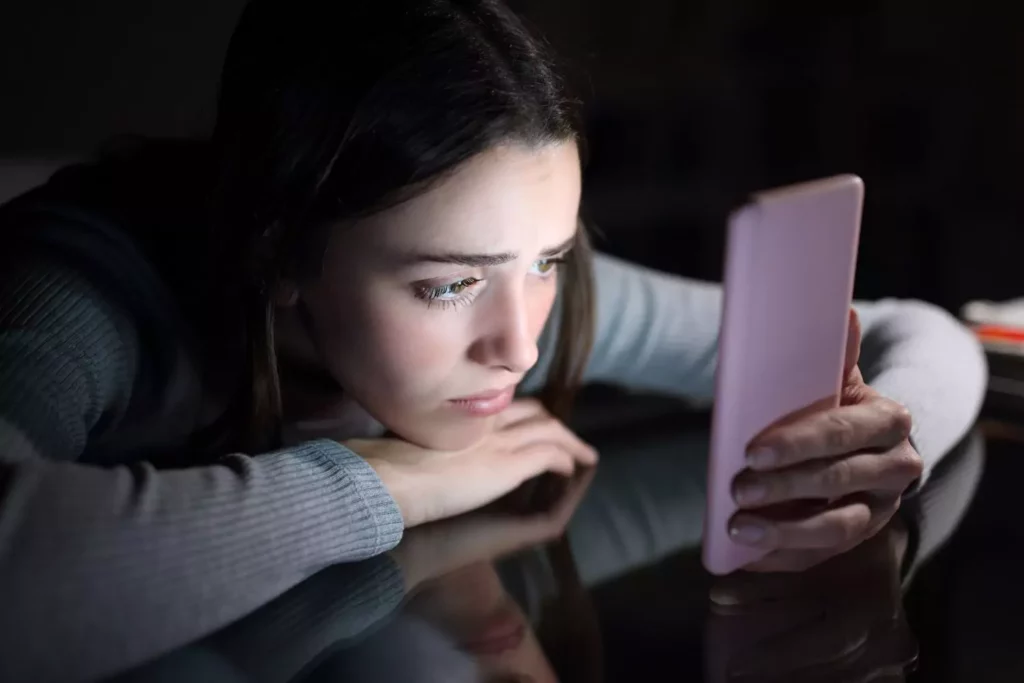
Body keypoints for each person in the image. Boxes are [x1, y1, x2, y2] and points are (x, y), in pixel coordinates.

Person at [0, 0, 986, 681]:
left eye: (550, 258)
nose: (518, 342)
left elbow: (917, 329)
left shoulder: (526, 291)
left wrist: (877, 440)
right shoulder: (83, 290)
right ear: (281, 250)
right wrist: (387, 480)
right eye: (449, 283)